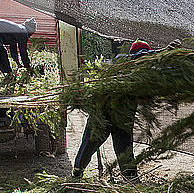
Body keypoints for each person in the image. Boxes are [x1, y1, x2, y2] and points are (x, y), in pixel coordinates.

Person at [72, 38, 181, 179]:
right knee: (90, 144)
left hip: (121, 116)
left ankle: (130, 178)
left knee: (121, 149)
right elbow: (139, 58)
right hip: (104, 112)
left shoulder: (145, 74)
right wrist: (162, 52)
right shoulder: (122, 61)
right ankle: (77, 173)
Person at [0, 18, 37, 94]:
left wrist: (17, 62)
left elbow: (13, 48)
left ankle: (8, 74)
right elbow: (23, 52)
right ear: (31, 30)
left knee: (2, 52)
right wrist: (28, 66)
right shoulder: (23, 32)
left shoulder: (17, 30)